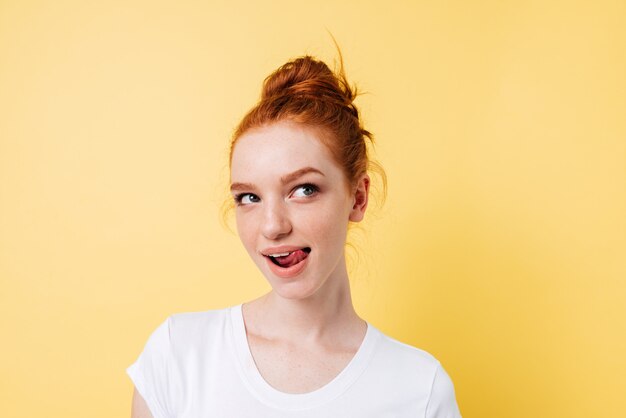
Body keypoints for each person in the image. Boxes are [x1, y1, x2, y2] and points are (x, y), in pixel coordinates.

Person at [127, 52, 462, 418]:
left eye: (303, 190)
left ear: (358, 197)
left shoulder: (418, 389)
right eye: (249, 197)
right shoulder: (179, 356)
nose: (273, 226)